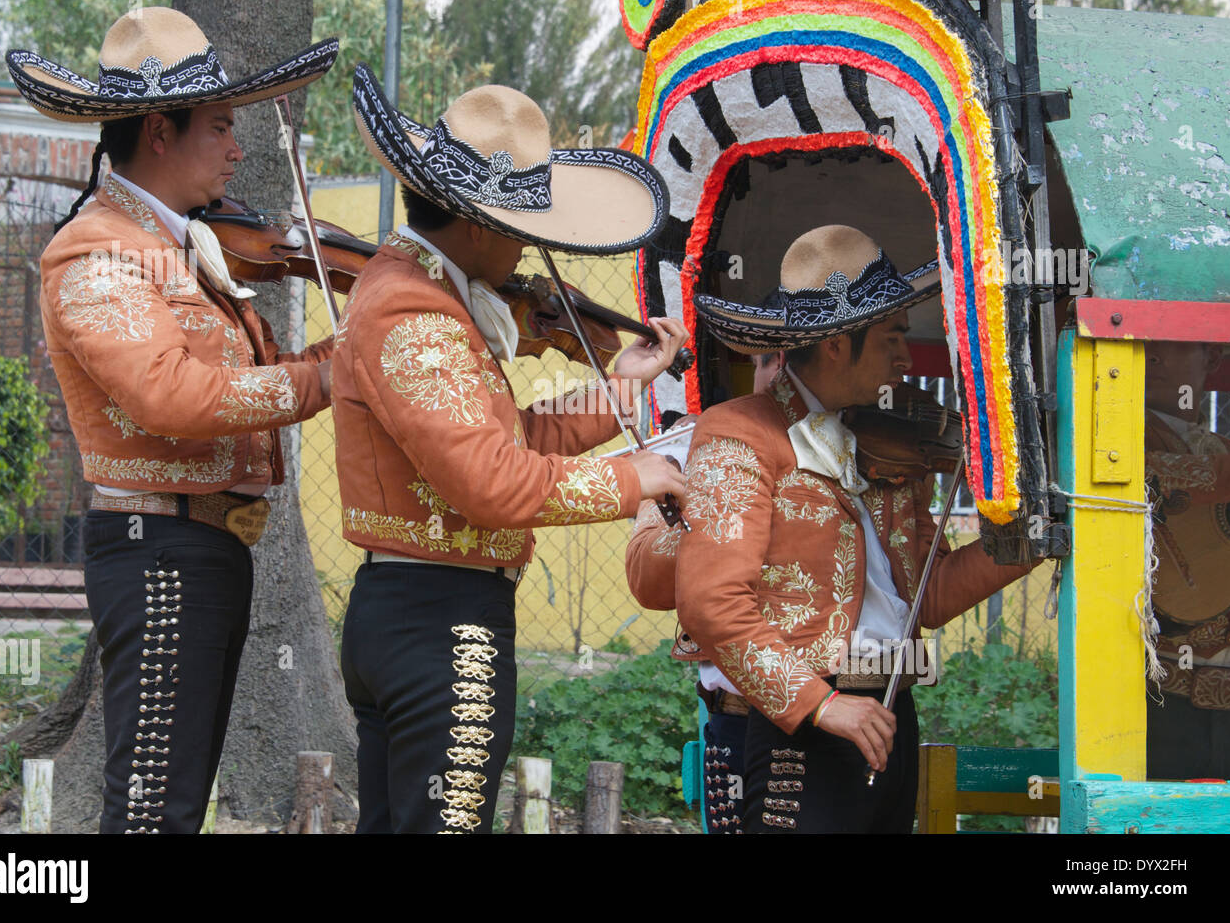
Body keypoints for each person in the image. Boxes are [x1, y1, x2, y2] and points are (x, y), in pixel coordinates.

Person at [6, 7, 340, 833]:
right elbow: (170, 397)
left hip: (201, 547)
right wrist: (331, 372)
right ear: (160, 129)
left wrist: (340, 359)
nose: (237, 148)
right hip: (157, 551)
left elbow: (237, 381)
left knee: (174, 804)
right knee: (155, 810)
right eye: (222, 126)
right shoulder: (93, 249)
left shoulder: (181, 241)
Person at [333, 66, 688, 833]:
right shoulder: (414, 311)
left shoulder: (427, 297)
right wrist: (634, 477)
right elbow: (492, 483)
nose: (529, 252)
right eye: (522, 230)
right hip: (440, 622)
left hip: (417, 614)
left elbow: (510, 441)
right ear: (482, 224)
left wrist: (620, 388)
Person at [675, 225, 1036, 833]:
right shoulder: (738, 434)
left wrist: (1030, 541)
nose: (906, 357)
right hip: (808, 718)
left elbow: (931, 592)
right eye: (893, 337)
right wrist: (821, 704)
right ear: (838, 344)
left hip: (891, 705)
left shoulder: (891, 441)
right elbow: (710, 601)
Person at [625, 303, 790, 834]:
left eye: (798, 359)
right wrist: (717, 511)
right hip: (737, 717)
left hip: (848, 707)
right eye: (771, 361)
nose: (784, 375)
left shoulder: (870, 446)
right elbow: (645, 578)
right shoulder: (693, 441)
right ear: (754, 368)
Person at [1143, 341, 1230, 779]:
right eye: (1143, 340)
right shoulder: (1108, 442)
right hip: (1156, 689)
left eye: (1172, 340)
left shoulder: (1227, 453)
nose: (1151, 353)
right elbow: (1150, 472)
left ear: (1213, 359)